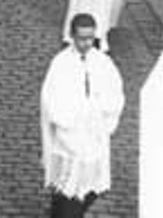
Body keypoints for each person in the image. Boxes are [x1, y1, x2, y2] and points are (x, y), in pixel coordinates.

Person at [40, 13, 125, 218]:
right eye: (81, 38)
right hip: (70, 137)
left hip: (94, 136)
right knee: (67, 190)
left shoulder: (103, 62)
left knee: (91, 189)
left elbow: (115, 93)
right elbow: (51, 99)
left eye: (90, 38)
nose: (87, 43)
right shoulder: (61, 64)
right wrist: (73, 116)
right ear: (72, 36)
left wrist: (101, 113)